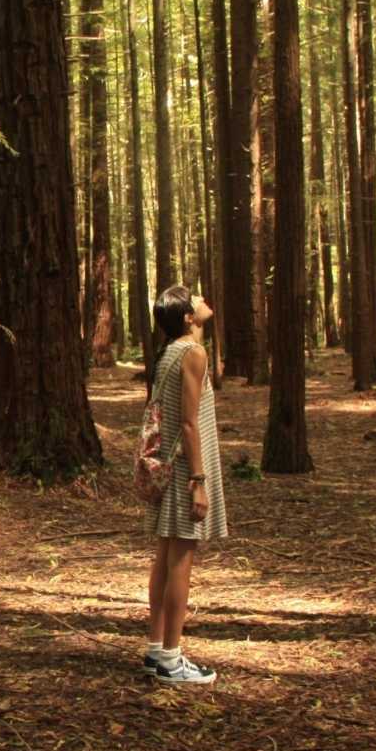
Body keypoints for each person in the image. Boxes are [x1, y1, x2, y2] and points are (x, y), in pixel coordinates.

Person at [142, 285, 228, 686]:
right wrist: (199, 481)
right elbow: (189, 422)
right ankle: (173, 658)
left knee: (165, 555)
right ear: (188, 318)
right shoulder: (193, 352)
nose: (202, 299)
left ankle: (158, 648)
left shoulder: (168, 353)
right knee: (180, 559)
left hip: (169, 463)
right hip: (183, 468)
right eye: (194, 298)